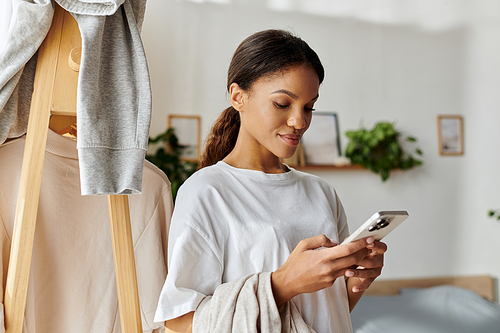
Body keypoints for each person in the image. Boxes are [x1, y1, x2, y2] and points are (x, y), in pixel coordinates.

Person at [154, 29, 387, 333]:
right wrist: (282, 285)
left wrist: (356, 282)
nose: (299, 122)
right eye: (282, 104)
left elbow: (327, 313)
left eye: (308, 107)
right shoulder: (206, 192)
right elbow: (180, 319)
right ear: (238, 96)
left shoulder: (321, 192)